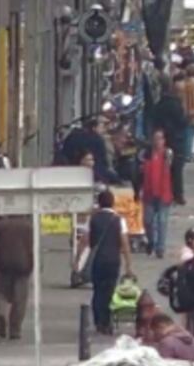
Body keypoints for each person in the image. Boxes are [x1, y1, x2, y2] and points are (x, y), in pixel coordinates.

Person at [75, 189, 133, 335]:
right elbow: (124, 243)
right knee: (110, 290)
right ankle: (107, 322)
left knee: (98, 290)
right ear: (113, 203)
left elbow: (84, 240)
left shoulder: (93, 219)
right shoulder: (119, 220)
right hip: (113, 261)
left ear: (99, 203)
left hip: (97, 260)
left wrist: (77, 260)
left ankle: (98, 321)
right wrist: (128, 264)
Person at [0, 215, 32, 340]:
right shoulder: (28, 227)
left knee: (2, 293)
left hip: (3, 263)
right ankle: (14, 330)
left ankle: (2, 314)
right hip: (23, 265)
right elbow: (33, 247)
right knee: (20, 299)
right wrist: (36, 264)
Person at [140, 129, 175, 259]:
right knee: (147, 221)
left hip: (164, 192)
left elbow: (174, 171)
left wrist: (177, 193)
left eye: (160, 138)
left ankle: (160, 248)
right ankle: (151, 241)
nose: (157, 141)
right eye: (155, 138)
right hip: (149, 192)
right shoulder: (146, 154)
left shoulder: (167, 154)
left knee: (162, 221)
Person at [156, 77, 189, 204]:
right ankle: (178, 195)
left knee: (164, 167)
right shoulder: (176, 105)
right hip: (176, 139)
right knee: (177, 168)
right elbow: (182, 122)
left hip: (163, 139)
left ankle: (164, 192)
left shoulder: (160, 104)